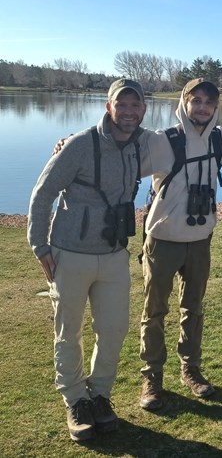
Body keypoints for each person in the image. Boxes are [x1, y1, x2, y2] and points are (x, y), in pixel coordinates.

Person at [27, 79, 147, 442]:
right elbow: (43, 192)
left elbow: (192, 135)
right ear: (108, 107)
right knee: (69, 331)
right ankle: (76, 400)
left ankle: (99, 395)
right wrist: (39, 245)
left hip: (113, 255)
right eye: (121, 104)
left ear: (143, 109)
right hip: (70, 253)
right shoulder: (79, 144)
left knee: (113, 329)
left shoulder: (143, 143)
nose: (128, 111)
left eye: (135, 105)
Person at [138, 78, 222, 410]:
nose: (202, 108)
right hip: (163, 240)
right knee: (154, 312)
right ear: (184, 102)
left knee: (193, 310)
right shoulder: (160, 141)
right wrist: (72, 142)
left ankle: (190, 370)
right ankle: (151, 378)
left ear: (216, 107)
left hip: (200, 241)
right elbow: (119, 152)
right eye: (196, 101)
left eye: (209, 102)